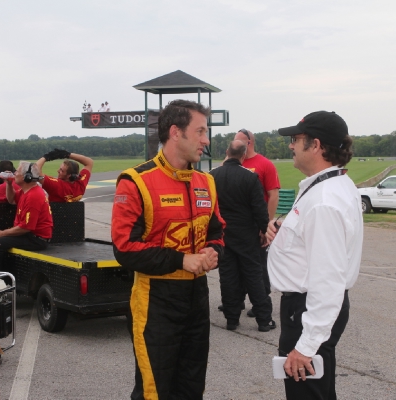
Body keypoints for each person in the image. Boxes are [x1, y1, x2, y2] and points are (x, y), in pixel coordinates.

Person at [111, 99, 225, 399]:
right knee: (155, 390)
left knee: (192, 388)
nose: (206, 140)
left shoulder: (207, 182)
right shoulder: (136, 181)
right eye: (200, 131)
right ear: (176, 132)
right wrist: (181, 260)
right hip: (156, 300)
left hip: (198, 298)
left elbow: (217, 233)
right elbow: (124, 248)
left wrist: (214, 252)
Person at [265, 111, 363, 399]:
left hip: (307, 309)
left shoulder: (324, 201)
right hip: (308, 307)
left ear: (316, 145)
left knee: (306, 394)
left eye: (296, 139)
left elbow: (328, 278)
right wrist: (283, 232)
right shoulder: (330, 184)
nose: (291, 145)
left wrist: (306, 346)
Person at [210, 140, 273, 331]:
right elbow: (259, 209)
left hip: (222, 234)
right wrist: (264, 230)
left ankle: (231, 318)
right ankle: (263, 319)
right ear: (244, 155)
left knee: (228, 276)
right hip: (246, 235)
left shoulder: (212, 176)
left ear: (227, 152)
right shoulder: (250, 177)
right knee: (253, 275)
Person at [227, 128, 281, 317]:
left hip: (256, 225)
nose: (235, 143)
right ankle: (235, 301)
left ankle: (260, 304)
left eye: (239, 140)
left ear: (249, 143)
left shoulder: (264, 164)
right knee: (234, 267)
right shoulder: (232, 163)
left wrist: (265, 226)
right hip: (237, 227)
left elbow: (273, 195)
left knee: (257, 268)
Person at [0, 161, 53, 272]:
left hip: (36, 239)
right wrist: (9, 184)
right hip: (30, 234)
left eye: (17, 171)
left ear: (26, 177)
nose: (14, 173)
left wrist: (1, 233)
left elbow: (26, 227)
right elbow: (11, 199)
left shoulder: (33, 196)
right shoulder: (26, 191)